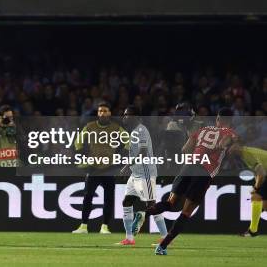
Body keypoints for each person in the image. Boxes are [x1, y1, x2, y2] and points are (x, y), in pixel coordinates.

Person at [147, 108, 238, 255]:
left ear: (217, 119)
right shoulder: (230, 132)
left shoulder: (202, 130)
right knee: (186, 212)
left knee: (170, 203)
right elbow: (225, 142)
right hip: (204, 172)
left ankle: (142, 213)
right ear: (230, 121)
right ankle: (162, 246)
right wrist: (223, 145)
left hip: (188, 166)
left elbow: (185, 149)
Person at [72, 102, 127, 234]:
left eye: (105, 111)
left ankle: (104, 227)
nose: (102, 113)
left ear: (109, 113)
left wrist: (119, 156)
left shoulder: (116, 128)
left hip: (109, 168)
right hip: (94, 168)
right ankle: (84, 226)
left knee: (108, 198)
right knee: (87, 197)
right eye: (100, 111)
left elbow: (129, 142)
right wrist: (83, 155)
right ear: (98, 113)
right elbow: (78, 142)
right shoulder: (89, 126)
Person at [117, 106, 167, 246]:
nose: (124, 117)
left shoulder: (141, 130)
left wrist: (127, 165)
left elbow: (143, 152)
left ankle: (165, 238)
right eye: (124, 114)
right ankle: (129, 238)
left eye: (127, 115)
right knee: (127, 202)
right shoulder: (133, 131)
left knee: (151, 204)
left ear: (135, 116)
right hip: (135, 173)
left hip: (145, 173)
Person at [236, 146, 267, 237]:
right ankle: (253, 231)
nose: (229, 150)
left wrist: (256, 188)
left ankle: (253, 231)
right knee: (265, 206)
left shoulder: (246, 154)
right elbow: (258, 173)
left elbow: (261, 174)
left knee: (256, 197)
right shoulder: (246, 154)